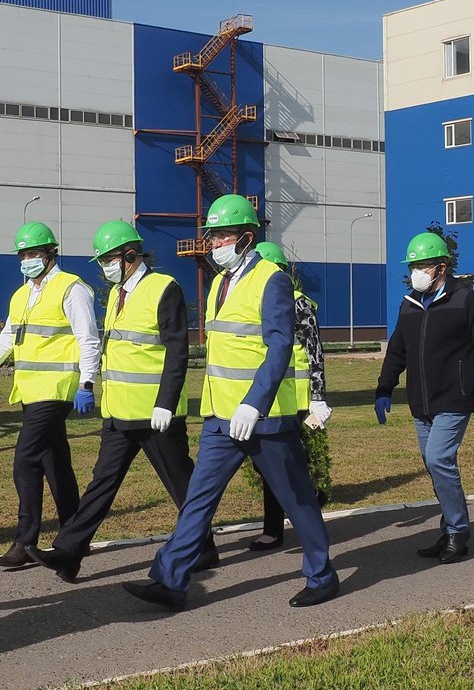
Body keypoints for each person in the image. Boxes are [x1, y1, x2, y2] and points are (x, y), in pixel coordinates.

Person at [123, 194, 338, 611]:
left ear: (246, 237)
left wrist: (254, 404)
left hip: (264, 420)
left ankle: (322, 574)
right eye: (212, 236)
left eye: (222, 236)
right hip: (221, 418)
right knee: (198, 499)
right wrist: (222, 408)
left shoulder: (271, 279)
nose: (214, 244)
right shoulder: (219, 283)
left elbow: (279, 348)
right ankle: (170, 581)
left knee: (296, 499)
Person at [28, 222, 214, 582]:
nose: (104, 267)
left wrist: (166, 402)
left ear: (130, 255)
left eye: (109, 259)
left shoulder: (164, 288)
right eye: (102, 261)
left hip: (155, 414)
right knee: (101, 484)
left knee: (181, 484)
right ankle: (68, 554)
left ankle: (203, 547)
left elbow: (178, 351)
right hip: (118, 413)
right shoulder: (116, 294)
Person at [0, 222, 100, 570]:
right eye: (24, 255)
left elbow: (88, 338)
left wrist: (87, 383)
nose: (28, 260)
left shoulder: (72, 289)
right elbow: (8, 338)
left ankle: (25, 540)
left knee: (25, 459)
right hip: (29, 391)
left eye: (35, 254)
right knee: (55, 462)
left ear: (52, 254)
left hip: (57, 390)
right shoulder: (21, 294)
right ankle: (76, 536)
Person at [374, 232, 474, 563]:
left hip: (455, 400)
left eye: (422, 266)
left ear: (442, 268)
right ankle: (448, 529)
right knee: (435, 467)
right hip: (421, 403)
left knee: (438, 460)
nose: (416, 272)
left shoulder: (466, 301)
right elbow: (397, 350)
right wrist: (384, 389)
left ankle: (459, 531)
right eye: (413, 266)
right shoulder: (410, 304)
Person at [247, 241, 333, 552]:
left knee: (280, 464)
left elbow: (315, 352)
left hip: (294, 401)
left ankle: (278, 527)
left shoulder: (300, 304)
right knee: (268, 465)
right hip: (267, 396)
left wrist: (318, 398)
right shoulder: (254, 302)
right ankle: (307, 499)